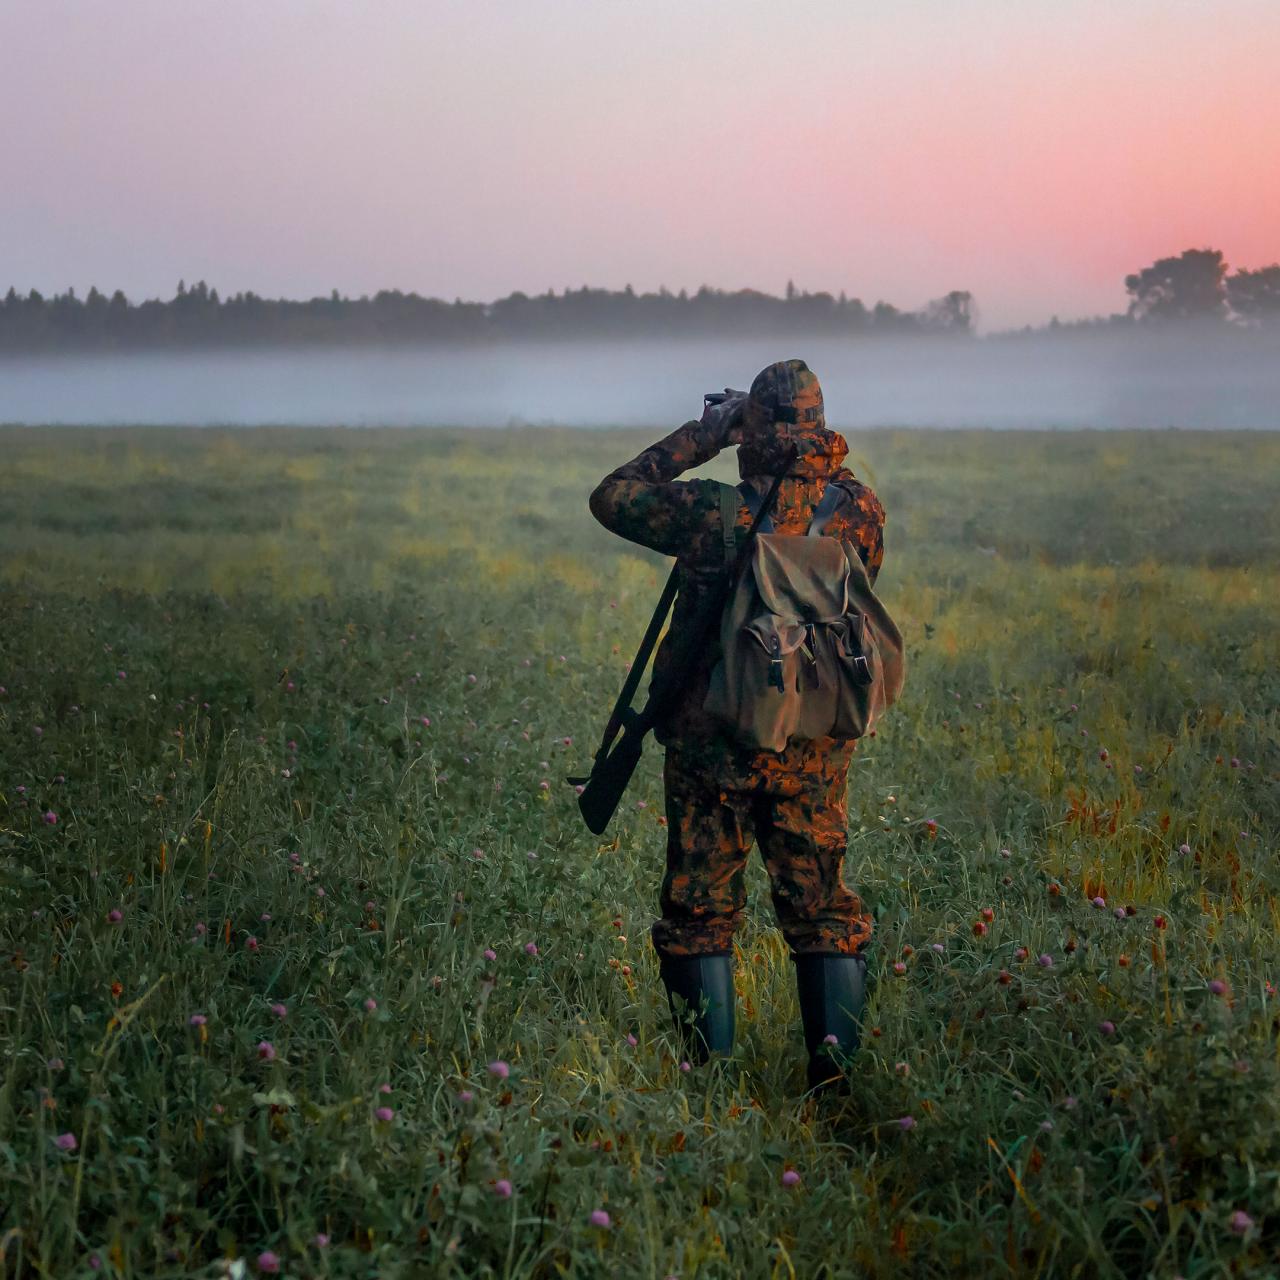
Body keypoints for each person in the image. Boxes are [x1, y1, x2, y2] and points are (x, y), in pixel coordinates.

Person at [588, 358, 886, 1089]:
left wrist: (707, 434)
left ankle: (711, 1086)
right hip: (811, 743)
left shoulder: (709, 513)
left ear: (750, 427)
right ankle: (834, 1083)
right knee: (822, 908)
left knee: (700, 910)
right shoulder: (860, 513)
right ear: (819, 426)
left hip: (710, 743)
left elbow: (613, 496)